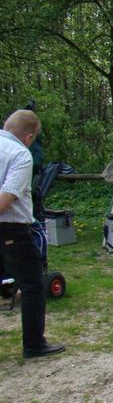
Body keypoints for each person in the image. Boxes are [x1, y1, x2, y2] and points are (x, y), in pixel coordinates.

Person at [0, 110, 65, 359]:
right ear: (28, 138)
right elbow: (7, 197)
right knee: (33, 283)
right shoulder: (20, 154)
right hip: (11, 228)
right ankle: (34, 344)